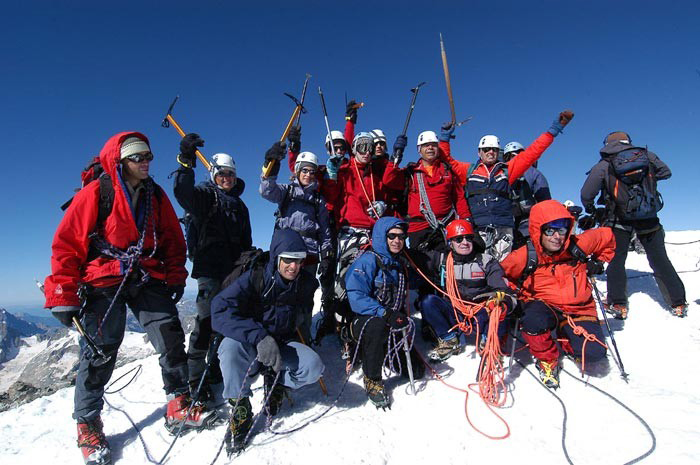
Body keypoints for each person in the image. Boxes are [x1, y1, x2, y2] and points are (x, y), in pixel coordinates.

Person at [45, 132, 205, 465]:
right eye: (138, 158)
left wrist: (175, 275)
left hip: (145, 274)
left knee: (170, 335)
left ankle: (178, 401)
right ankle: (88, 423)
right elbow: (66, 244)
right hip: (103, 277)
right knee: (101, 349)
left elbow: (174, 241)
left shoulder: (155, 195)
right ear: (122, 161)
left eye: (148, 156)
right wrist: (63, 292)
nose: (146, 162)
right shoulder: (96, 193)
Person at [211, 229, 324, 454]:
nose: (294, 266)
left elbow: (301, 315)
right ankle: (240, 408)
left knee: (313, 367)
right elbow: (219, 310)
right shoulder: (255, 278)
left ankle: (277, 382)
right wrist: (259, 336)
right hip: (252, 341)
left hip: (283, 342)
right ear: (277, 257)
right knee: (229, 349)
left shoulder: (305, 284)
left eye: (299, 261)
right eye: (288, 260)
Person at [500, 200, 616, 389]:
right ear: (539, 230)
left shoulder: (578, 245)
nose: (557, 236)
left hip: (579, 309)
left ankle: (567, 337)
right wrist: (510, 294)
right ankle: (547, 360)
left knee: (593, 354)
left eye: (562, 230)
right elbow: (502, 274)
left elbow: (608, 236)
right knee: (532, 320)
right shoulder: (525, 255)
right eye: (550, 230)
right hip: (543, 305)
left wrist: (599, 261)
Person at [173, 133, 253, 405]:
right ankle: (196, 381)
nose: (227, 179)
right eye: (222, 174)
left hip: (233, 272)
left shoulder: (240, 206)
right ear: (213, 175)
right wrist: (186, 163)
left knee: (227, 321)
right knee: (206, 324)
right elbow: (183, 194)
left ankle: (217, 369)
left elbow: (246, 241)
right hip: (209, 271)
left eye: (230, 174)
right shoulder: (205, 197)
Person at [438, 111, 574, 260]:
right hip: (478, 230)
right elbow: (447, 160)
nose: (490, 152)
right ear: (479, 152)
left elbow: (533, 152)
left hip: (504, 231)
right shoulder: (468, 171)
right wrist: (444, 138)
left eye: (494, 149)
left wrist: (554, 129)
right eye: (486, 149)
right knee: (480, 270)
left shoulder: (508, 170)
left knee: (502, 271)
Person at [580, 131, 687, 318]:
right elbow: (666, 172)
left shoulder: (604, 165)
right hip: (649, 217)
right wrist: (646, 180)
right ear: (628, 142)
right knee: (660, 259)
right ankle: (678, 302)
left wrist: (592, 208)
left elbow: (587, 193)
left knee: (616, 260)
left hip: (618, 220)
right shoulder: (646, 156)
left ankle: (618, 304)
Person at [345, 217, 424, 409]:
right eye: (392, 236)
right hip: (365, 323)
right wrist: (384, 313)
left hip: (389, 324)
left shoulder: (399, 265)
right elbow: (355, 296)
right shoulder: (367, 260)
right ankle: (372, 378)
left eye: (401, 236)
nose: (397, 240)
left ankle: (382, 353)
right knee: (377, 326)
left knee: (416, 371)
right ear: (382, 236)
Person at [413, 219, 516, 362]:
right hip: (454, 311)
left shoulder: (485, 261)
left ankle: (489, 342)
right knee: (428, 302)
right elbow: (416, 259)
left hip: (480, 312)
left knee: (499, 308)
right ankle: (449, 340)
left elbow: (500, 287)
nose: (464, 242)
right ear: (450, 243)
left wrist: (502, 301)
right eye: (458, 239)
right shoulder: (443, 260)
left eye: (468, 238)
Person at [260, 144, 333, 343]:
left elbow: (325, 230)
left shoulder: (318, 200)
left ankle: (304, 340)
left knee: (304, 300)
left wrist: (326, 253)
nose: (308, 174)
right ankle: (278, 338)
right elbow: (267, 191)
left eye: (312, 171)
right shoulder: (286, 191)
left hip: (308, 256)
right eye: (304, 170)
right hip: (285, 254)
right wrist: (270, 167)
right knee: (281, 298)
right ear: (297, 170)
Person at [399, 128, 471, 251]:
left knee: (448, 263)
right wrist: (397, 154)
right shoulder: (410, 172)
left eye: (433, 145)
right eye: (426, 145)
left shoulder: (448, 171)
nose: (430, 148)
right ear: (419, 150)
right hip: (419, 228)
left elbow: (458, 197)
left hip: (446, 226)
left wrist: (466, 220)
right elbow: (389, 179)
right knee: (422, 264)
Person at [502, 141, 552, 248]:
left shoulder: (500, 175)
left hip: (506, 227)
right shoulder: (534, 173)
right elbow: (545, 201)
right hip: (530, 224)